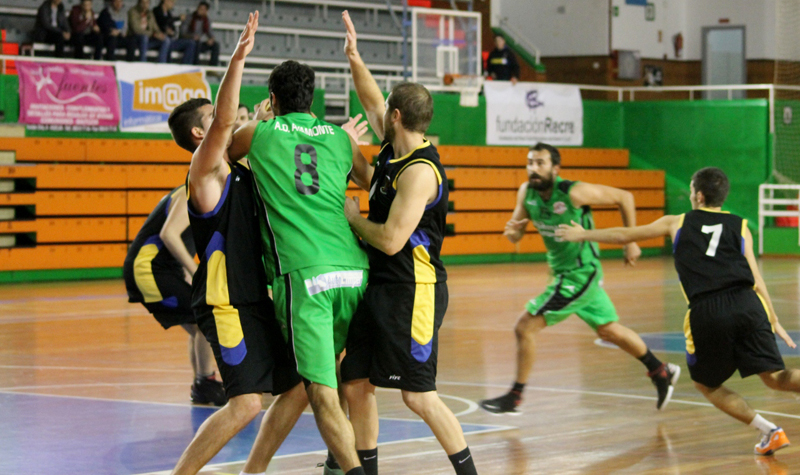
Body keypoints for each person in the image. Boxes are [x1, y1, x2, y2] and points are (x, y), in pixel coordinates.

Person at [557, 167, 800, 456]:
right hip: (748, 303)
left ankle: (769, 430)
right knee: (775, 377)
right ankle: (770, 433)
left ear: (698, 194)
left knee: (706, 384)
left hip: (707, 309)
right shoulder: (741, 225)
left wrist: (584, 234)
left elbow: (625, 235)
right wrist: (773, 319)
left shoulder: (677, 222)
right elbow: (757, 279)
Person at [221, 19, 370, 475]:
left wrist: (263, 118)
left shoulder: (261, 135)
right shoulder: (342, 140)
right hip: (356, 273)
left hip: (306, 277)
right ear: (313, 99)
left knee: (321, 391)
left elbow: (226, 146)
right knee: (308, 386)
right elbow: (371, 180)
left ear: (275, 99)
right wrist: (342, 146)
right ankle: (262, 469)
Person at [337, 11, 479, 475]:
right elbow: (372, 97)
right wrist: (355, 57)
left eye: (386, 113)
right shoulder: (392, 146)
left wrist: (354, 219)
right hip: (379, 288)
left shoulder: (419, 172)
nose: (380, 113)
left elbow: (393, 240)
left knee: (418, 395)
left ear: (398, 118)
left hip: (411, 290)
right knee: (355, 383)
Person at [167, 14, 308, 475]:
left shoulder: (240, 170)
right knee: (246, 403)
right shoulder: (204, 170)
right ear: (198, 135)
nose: (231, 117)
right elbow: (228, 120)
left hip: (255, 298)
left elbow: (253, 134)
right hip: (225, 302)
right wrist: (238, 59)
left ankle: (254, 470)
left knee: (302, 383)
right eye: (212, 121)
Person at [479, 142, 680, 415]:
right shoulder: (527, 193)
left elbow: (625, 197)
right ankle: (660, 370)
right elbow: (516, 234)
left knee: (525, 327)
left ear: (555, 168)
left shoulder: (573, 192)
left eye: (540, 163)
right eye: (530, 163)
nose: (533, 169)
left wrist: (630, 242)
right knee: (609, 330)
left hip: (581, 273)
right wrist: (512, 232)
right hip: (562, 274)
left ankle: (514, 397)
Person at [123, 185, 226, 407]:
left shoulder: (210, 195)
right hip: (149, 269)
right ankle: (205, 383)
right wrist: (197, 274)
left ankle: (202, 384)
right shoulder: (192, 190)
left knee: (198, 322)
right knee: (207, 318)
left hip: (162, 269)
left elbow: (184, 243)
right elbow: (168, 234)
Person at [153, 0, 196, 64]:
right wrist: (178, 18)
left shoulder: (168, 13)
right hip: (160, 40)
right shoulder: (156, 11)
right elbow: (162, 22)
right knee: (167, 41)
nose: (173, 4)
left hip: (171, 39)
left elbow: (171, 26)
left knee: (190, 43)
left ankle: (185, 66)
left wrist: (172, 32)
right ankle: (164, 65)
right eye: (172, 2)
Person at [181, 1, 219, 66]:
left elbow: (210, 33)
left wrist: (211, 39)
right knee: (196, 43)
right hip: (190, 42)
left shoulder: (206, 20)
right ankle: (195, 65)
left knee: (215, 45)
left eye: (203, 9)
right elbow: (183, 33)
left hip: (200, 42)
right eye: (200, 9)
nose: (200, 11)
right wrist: (192, 37)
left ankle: (213, 67)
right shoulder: (190, 18)